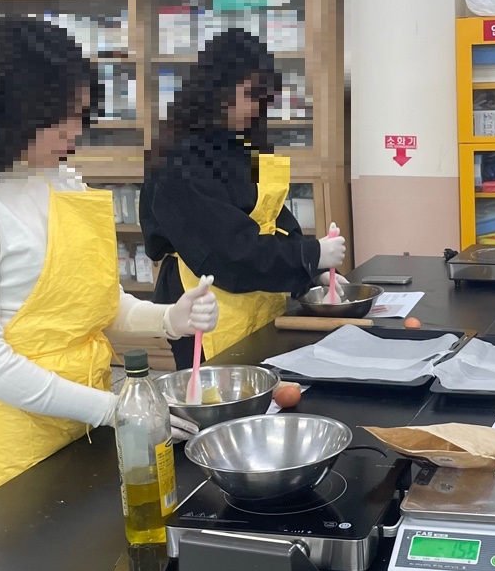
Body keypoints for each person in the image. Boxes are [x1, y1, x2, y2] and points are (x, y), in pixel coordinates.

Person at [0, 17, 219, 512]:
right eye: (59, 118)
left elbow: (94, 304)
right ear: (8, 109)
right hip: (13, 444)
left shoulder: (58, 178)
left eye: (80, 115)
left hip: (85, 423)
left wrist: (169, 318)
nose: (73, 132)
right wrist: (115, 409)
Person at [141, 28, 344, 360]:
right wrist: (309, 255)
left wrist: (311, 271)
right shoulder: (178, 161)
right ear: (215, 88)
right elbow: (228, 250)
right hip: (206, 309)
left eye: (263, 98)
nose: (256, 108)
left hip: (257, 300)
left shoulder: (242, 144)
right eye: (250, 95)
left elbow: (272, 217)